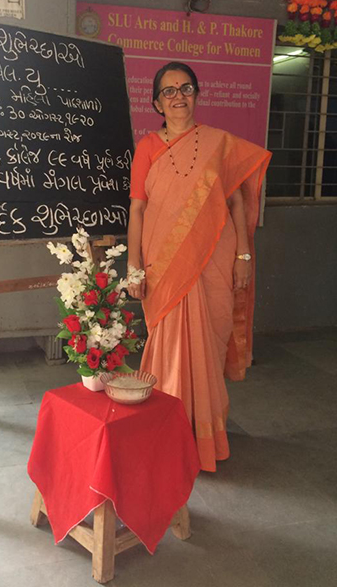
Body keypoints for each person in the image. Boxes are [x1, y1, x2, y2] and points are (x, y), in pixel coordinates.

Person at [127, 61, 271, 472]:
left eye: (186, 88)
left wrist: (243, 256)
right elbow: (137, 210)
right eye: (169, 91)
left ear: (196, 94)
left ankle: (204, 431)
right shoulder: (147, 148)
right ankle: (167, 430)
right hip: (164, 262)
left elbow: (236, 202)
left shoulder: (218, 144)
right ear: (157, 102)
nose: (178, 96)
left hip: (212, 260)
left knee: (206, 342)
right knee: (170, 346)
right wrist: (134, 267)